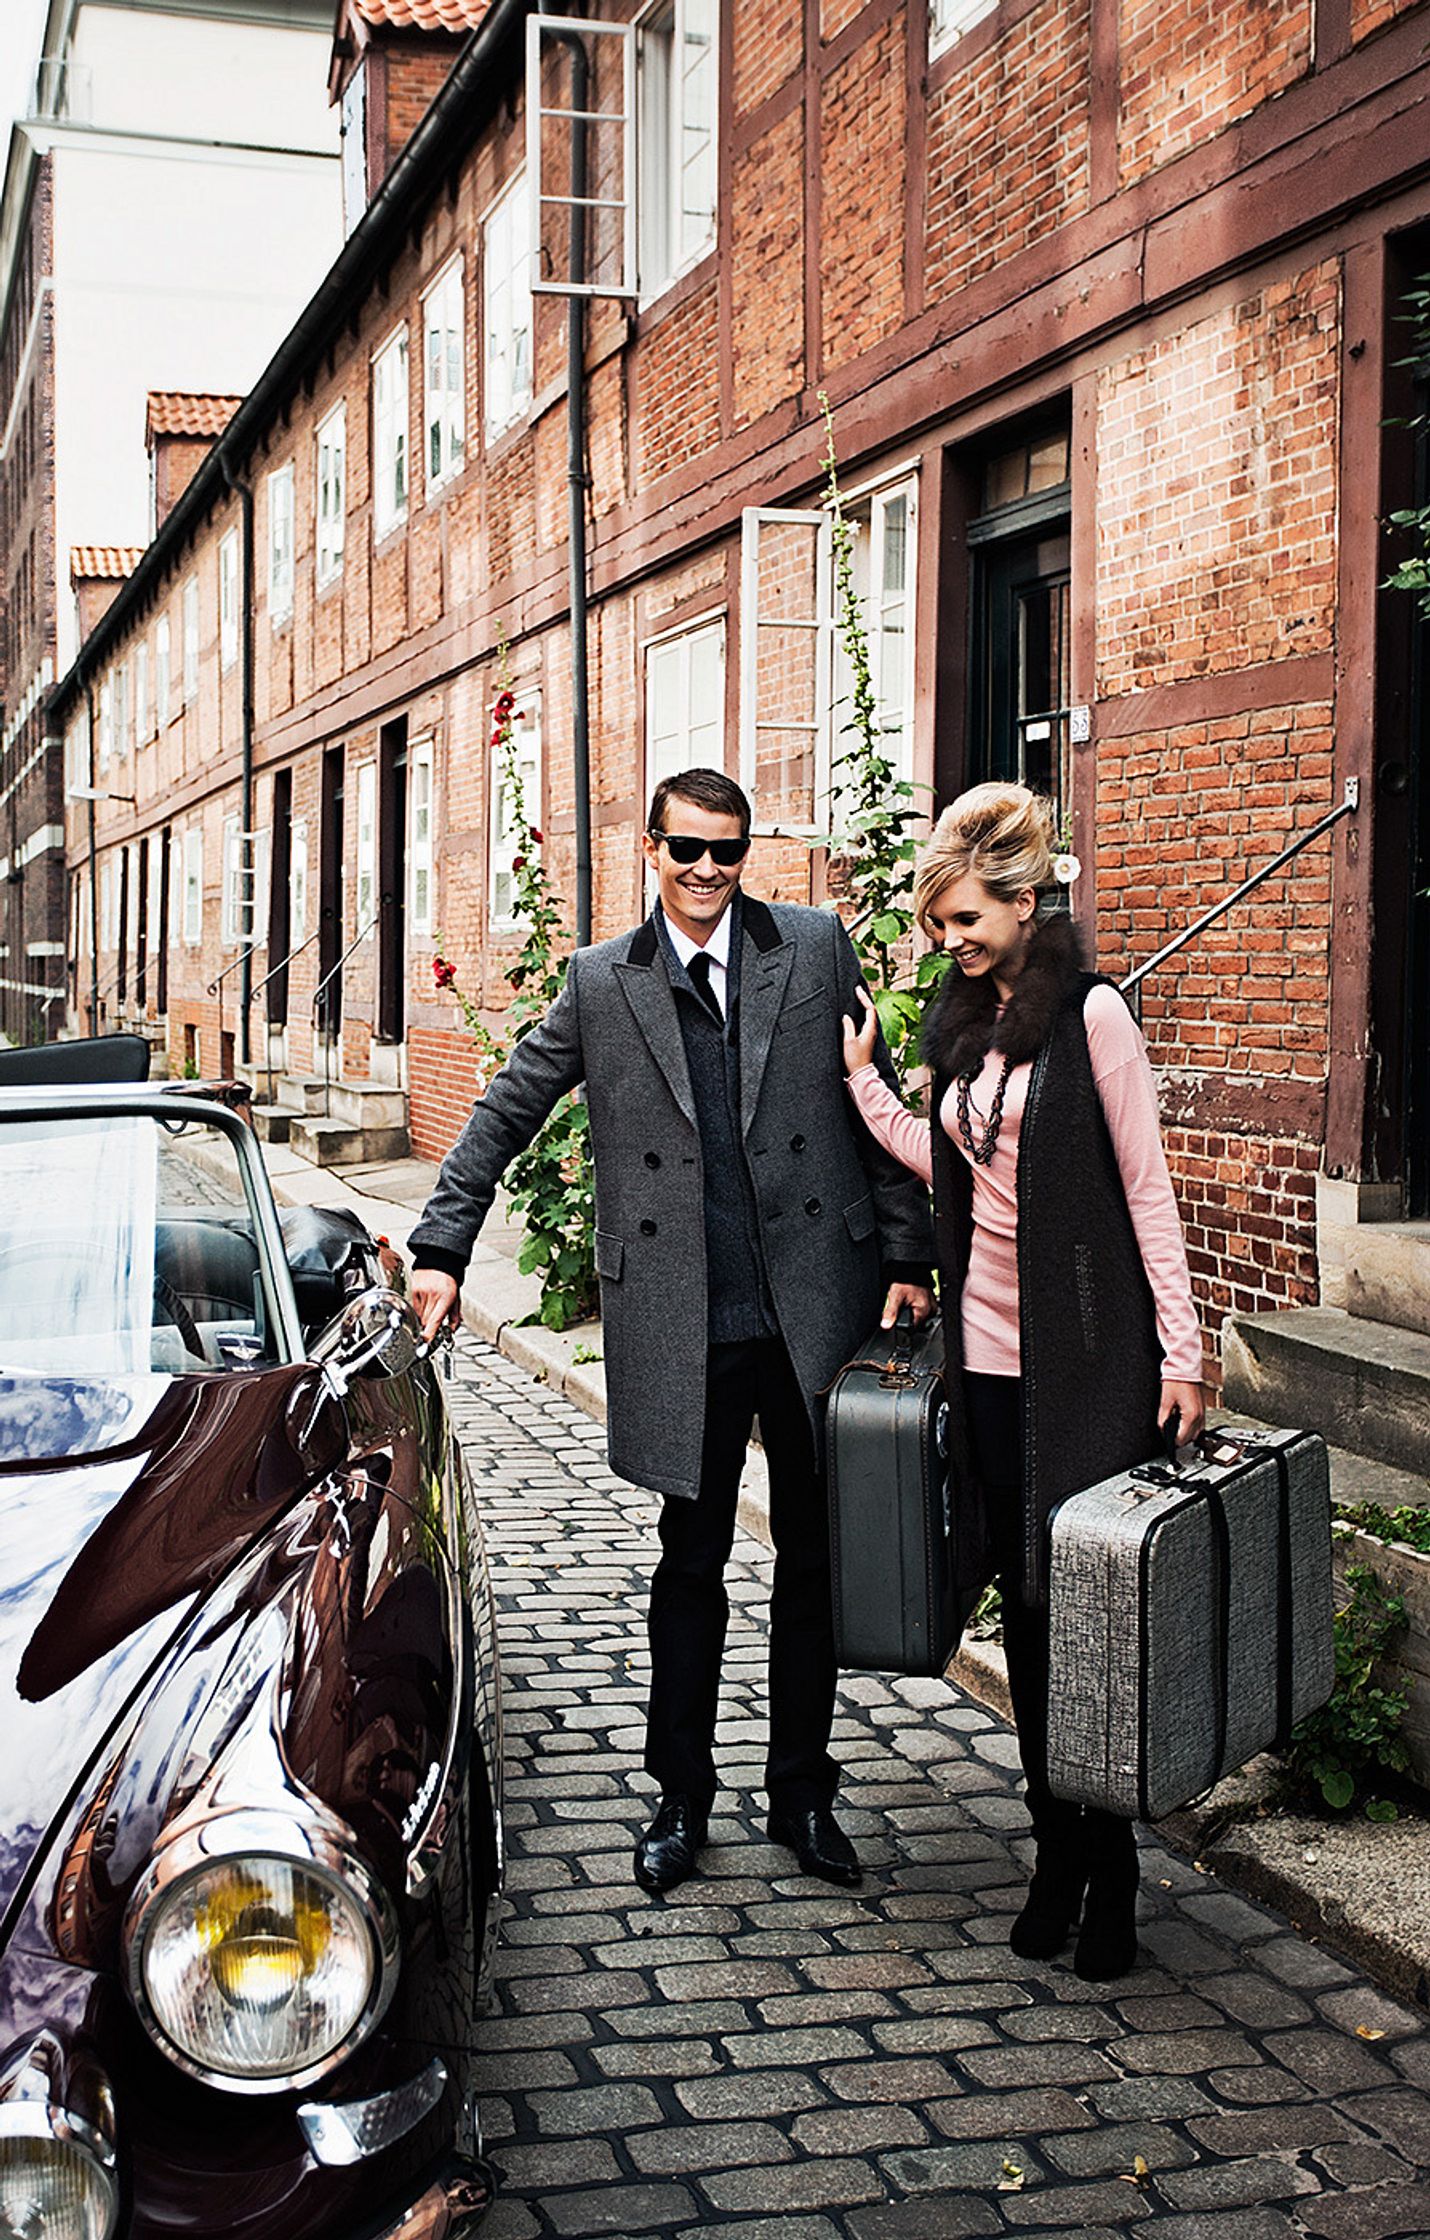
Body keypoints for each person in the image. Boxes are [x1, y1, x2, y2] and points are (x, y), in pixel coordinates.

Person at [410, 767, 934, 1895]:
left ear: (748, 854)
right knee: (688, 1561)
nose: (706, 870)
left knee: (813, 1562)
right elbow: (508, 1104)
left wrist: (906, 1255)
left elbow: (869, 1094)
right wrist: (443, 1246)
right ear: (648, 846)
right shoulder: (602, 980)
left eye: (727, 851)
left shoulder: (813, 944)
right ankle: (679, 1796)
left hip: (812, 1310)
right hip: (686, 1322)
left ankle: (801, 1791)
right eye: (686, 848)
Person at [841, 782, 1204, 1980]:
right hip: (984, 1374)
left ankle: (1112, 1875)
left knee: (1085, 1618)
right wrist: (865, 1084)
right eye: (938, 923)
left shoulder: (1091, 1016)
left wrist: (1181, 1350)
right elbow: (945, 1160)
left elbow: (1146, 1188)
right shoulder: (960, 1026)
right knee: (1028, 1620)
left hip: (1089, 1370)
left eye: (964, 920)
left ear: (1023, 898)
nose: (948, 941)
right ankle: (1057, 1846)